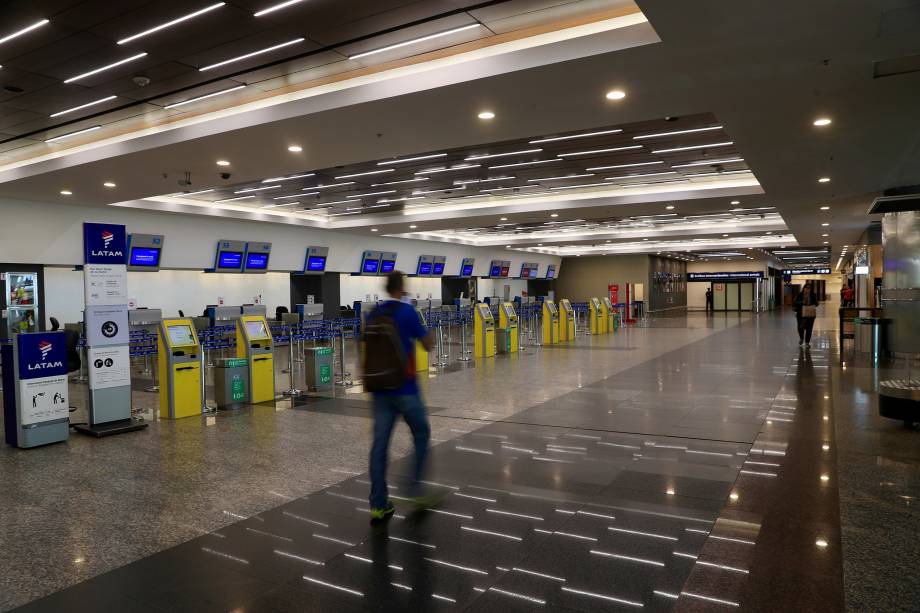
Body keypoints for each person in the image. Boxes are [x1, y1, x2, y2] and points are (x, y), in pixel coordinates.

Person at [366, 271, 436, 521]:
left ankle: (378, 503)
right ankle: (413, 488)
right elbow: (427, 344)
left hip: (379, 389)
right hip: (405, 389)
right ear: (402, 287)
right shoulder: (407, 312)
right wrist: (428, 330)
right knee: (421, 433)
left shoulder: (373, 313)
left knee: (379, 446)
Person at [793, 283, 818, 347]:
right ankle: (801, 338)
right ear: (803, 288)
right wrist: (802, 302)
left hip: (810, 314)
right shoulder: (799, 295)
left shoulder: (813, 295)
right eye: (806, 288)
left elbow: (817, 304)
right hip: (800, 314)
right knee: (800, 327)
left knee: (809, 328)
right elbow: (794, 302)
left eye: (809, 288)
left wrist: (814, 303)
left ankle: (807, 342)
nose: (807, 289)